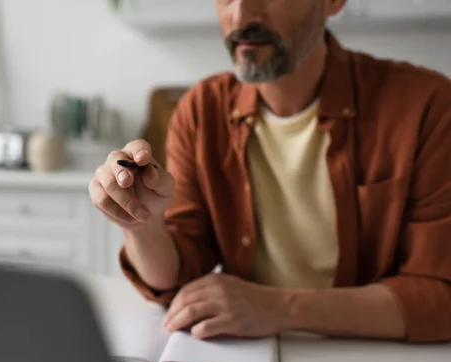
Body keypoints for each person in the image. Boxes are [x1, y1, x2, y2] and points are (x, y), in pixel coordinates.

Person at [89, 0, 451, 343]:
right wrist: (142, 224)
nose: (242, 14)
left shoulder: (426, 107)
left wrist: (280, 307)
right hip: (246, 359)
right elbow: (177, 276)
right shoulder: (201, 111)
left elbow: (439, 295)